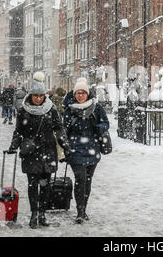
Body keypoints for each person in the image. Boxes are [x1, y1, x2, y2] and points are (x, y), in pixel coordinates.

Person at [7, 72, 69, 229]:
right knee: (32, 184)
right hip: (31, 152)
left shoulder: (51, 109)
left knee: (46, 184)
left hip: (48, 151)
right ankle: (34, 213)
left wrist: (64, 143)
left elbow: (59, 128)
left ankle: (42, 213)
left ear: (44, 96)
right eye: (36, 95)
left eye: (41, 96)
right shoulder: (24, 110)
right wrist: (14, 145)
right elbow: (19, 131)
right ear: (31, 95)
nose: (38, 98)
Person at [63, 77, 110, 224]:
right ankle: (80, 211)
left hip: (92, 148)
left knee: (88, 181)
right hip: (75, 149)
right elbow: (63, 129)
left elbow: (105, 123)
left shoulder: (96, 108)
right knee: (80, 179)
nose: (81, 95)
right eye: (78, 93)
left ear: (87, 94)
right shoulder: (69, 109)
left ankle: (84, 208)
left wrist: (99, 127)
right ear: (74, 94)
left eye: (83, 92)